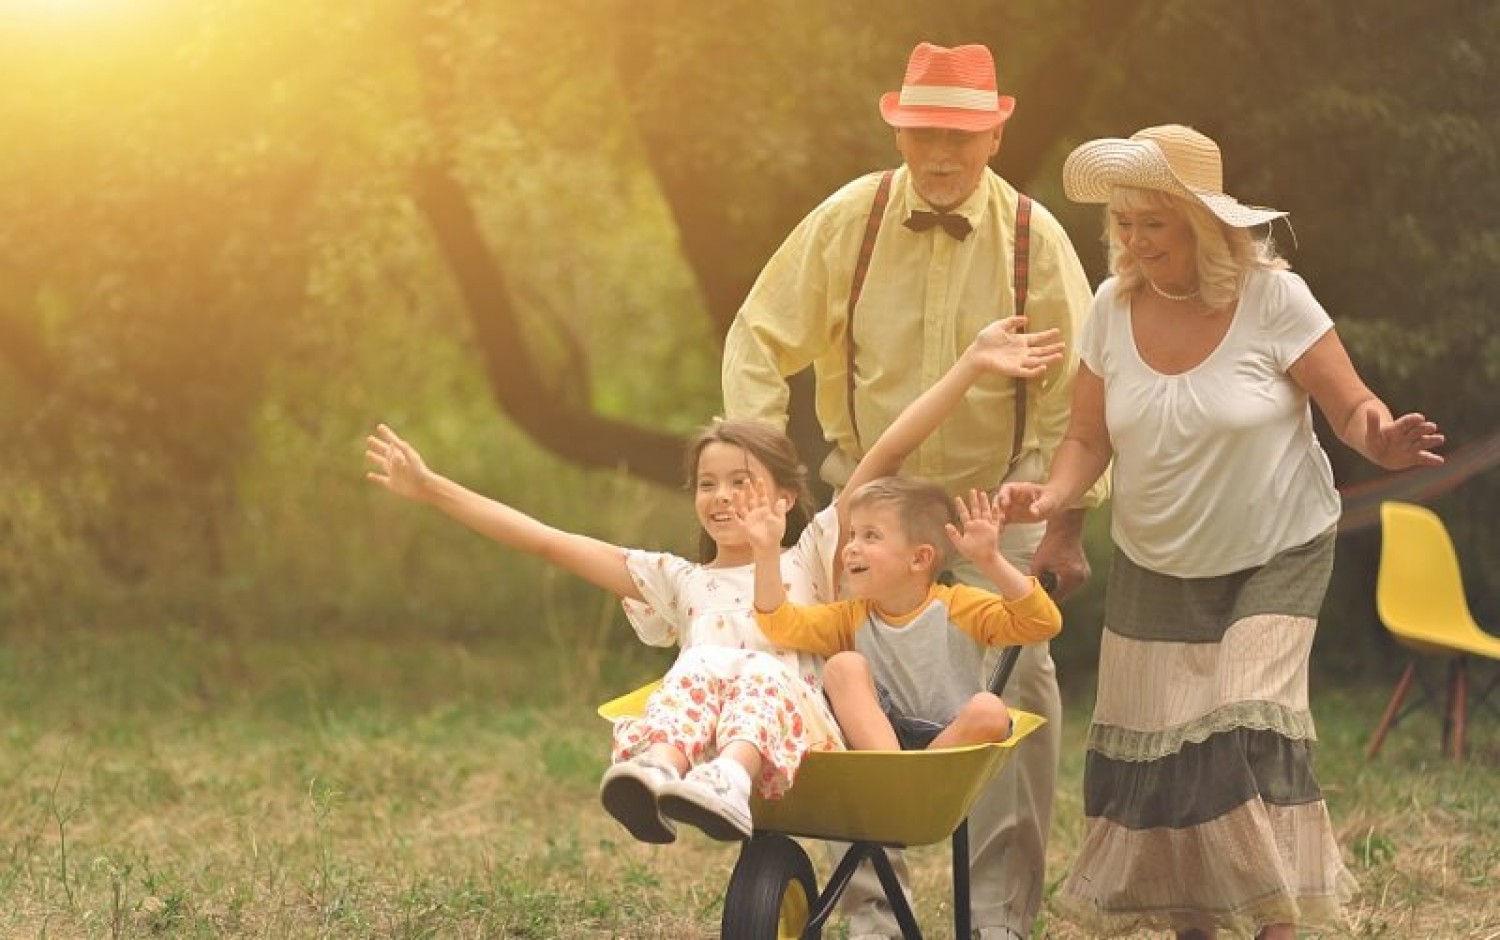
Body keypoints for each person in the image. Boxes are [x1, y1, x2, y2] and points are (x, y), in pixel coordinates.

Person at [999, 124, 1445, 939]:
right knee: (1167, 754)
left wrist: (1379, 439)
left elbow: (1351, 407)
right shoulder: (1111, 307)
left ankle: (1276, 923)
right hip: (1157, 562)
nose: (1132, 241)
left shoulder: (1276, 298)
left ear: (1201, 224)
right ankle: (1197, 923)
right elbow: (1087, 439)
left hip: (1277, 549)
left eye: (1152, 224)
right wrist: (1051, 500)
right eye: (1123, 224)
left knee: (1242, 723)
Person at [722, 40, 1106, 938]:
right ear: (899, 127)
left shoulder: (1032, 239)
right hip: (870, 499)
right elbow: (757, 339)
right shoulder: (847, 222)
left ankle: (1003, 916)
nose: (942, 154)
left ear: (997, 133)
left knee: (1021, 694)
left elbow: (1081, 394)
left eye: (962, 137)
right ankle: (869, 911)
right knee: (847, 686)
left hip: (992, 508)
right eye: (926, 133)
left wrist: (1065, 522)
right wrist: (762, 484)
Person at [363, 419, 848, 845]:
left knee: (755, 668)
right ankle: (658, 769)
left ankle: (732, 777)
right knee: (695, 666)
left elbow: (884, 458)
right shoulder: (679, 580)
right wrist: (431, 489)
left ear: (784, 496)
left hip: (803, 734)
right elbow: (547, 541)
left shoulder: (811, 556)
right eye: (707, 483)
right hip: (714, 735)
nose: (720, 495)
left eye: (740, 481)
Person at [744, 317, 1066, 754]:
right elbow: (779, 624)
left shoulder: (958, 608)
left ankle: (916, 779)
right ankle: (893, 774)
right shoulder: (850, 617)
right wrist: (765, 553)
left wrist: (991, 562)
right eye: (853, 533)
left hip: (946, 740)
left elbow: (1041, 623)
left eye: (870, 536)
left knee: (990, 709)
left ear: (919, 559)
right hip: (879, 736)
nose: (852, 545)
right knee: (842, 667)